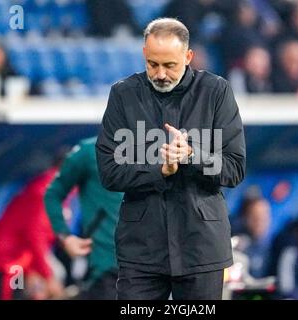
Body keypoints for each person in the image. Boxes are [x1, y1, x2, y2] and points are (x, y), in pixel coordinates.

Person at [96, 18, 246, 300]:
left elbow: (235, 168)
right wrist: (159, 170)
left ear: (188, 57)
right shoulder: (122, 95)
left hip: (201, 249)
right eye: (153, 64)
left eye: (170, 65)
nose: (160, 74)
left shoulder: (216, 92)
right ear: (144, 54)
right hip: (141, 251)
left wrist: (192, 156)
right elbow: (109, 171)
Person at [44, 137, 123, 300]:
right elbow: (53, 193)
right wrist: (65, 237)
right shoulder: (89, 151)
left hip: (153, 266)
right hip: (107, 266)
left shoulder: (158, 150)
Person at [0, 165, 65, 300]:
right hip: (3, 266)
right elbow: (35, 236)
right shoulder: (44, 193)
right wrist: (48, 276)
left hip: (15, 268)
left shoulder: (46, 190)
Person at [233, 196, 272, 278]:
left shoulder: (271, 246)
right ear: (245, 218)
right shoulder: (235, 243)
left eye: (264, 217)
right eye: (255, 217)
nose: (260, 222)